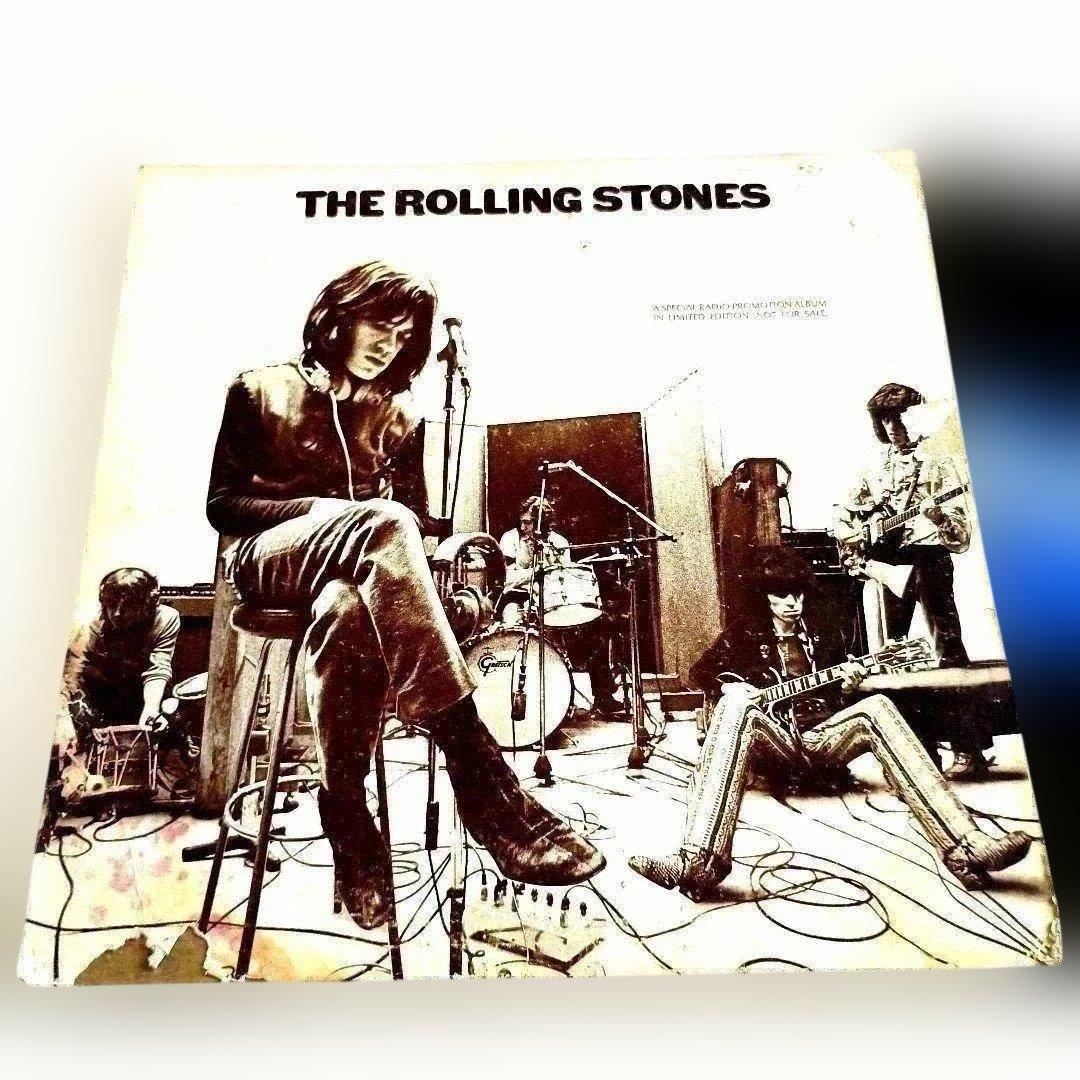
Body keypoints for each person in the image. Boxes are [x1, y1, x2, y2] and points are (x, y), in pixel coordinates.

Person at [206, 261, 604, 930]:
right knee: (383, 524)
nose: (388, 346)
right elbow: (223, 506)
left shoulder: (401, 417)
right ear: (340, 315)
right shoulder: (259, 389)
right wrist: (322, 512)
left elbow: (413, 522)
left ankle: (347, 818)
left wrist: (420, 545)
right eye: (379, 326)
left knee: (346, 607)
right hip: (268, 558)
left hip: (356, 576)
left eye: (403, 336)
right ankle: (484, 782)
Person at [627, 547, 1031, 900]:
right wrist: (729, 688)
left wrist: (851, 685)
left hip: (823, 737)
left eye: (797, 593)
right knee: (735, 706)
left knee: (876, 705)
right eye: (780, 594)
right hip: (774, 740)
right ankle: (700, 861)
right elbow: (700, 673)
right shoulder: (744, 635)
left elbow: (840, 695)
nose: (792, 602)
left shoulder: (825, 632)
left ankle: (967, 846)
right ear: (763, 596)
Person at [834, 382, 989, 777]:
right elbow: (843, 515)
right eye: (886, 419)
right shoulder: (873, 468)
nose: (894, 427)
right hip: (890, 565)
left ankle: (968, 749)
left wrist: (937, 517)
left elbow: (961, 537)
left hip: (930, 559)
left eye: (901, 418)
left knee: (947, 651)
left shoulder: (940, 463)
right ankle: (914, 756)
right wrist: (854, 534)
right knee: (895, 655)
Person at [498, 496, 624, 714]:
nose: (523, 527)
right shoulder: (510, 539)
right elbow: (507, 579)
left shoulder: (559, 541)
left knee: (597, 628)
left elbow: (563, 577)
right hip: (519, 599)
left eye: (528, 522)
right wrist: (533, 571)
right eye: (522, 521)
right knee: (511, 626)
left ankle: (603, 696)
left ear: (542, 523)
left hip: (551, 601)